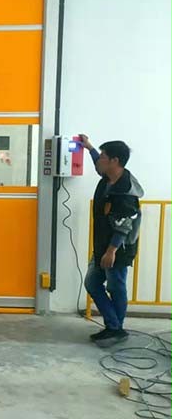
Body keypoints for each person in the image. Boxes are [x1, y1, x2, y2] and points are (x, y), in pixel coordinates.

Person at [79, 135, 143, 346]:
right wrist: (89, 147)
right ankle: (114, 326)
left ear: (115, 161)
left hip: (118, 249)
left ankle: (115, 328)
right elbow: (98, 166)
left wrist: (111, 251)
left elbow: (124, 225)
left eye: (103, 156)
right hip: (102, 245)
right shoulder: (108, 177)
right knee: (92, 283)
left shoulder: (125, 192)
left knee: (116, 287)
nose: (100, 160)